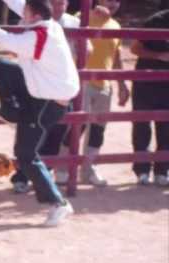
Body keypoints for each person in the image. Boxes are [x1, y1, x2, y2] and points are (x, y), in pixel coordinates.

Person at [0, 0, 80, 227]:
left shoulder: (37, 37)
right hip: (43, 93)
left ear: (33, 16)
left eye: (26, 11)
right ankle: (11, 112)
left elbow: (1, 38)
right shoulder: (47, 25)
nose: (22, 13)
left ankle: (58, 203)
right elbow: (18, 4)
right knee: (2, 67)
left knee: (25, 153)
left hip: (47, 103)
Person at [9, 0, 91, 193]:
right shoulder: (30, 20)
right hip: (37, 84)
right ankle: (22, 177)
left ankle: (43, 178)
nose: (57, 6)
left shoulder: (73, 22)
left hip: (58, 85)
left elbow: (88, 49)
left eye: (61, 2)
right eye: (53, 2)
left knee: (55, 133)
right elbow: (16, 46)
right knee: (30, 132)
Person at [55, 0, 130, 187]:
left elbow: (116, 57)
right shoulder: (83, 18)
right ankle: (62, 168)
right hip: (83, 81)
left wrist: (122, 84)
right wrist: (90, 12)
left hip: (105, 84)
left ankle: (89, 170)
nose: (113, 4)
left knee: (98, 130)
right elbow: (69, 27)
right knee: (76, 127)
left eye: (117, 1)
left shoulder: (116, 25)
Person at [130, 9, 169, 187]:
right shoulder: (155, 21)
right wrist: (159, 56)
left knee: (166, 128)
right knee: (142, 126)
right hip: (145, 83)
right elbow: (134, 48)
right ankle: (142, 171)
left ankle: (162, 171)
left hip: (166, 85)